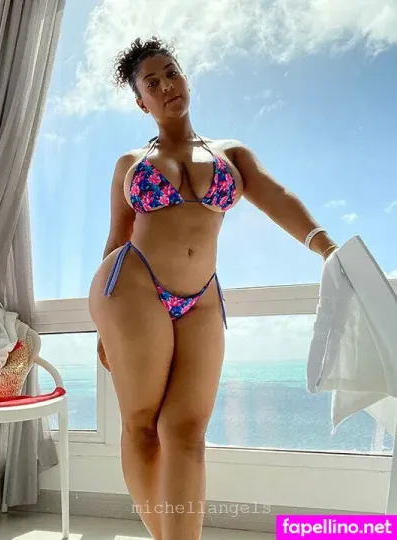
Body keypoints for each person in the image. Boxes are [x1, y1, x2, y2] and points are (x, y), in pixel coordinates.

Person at [88, 36, 337, 540]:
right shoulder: (130, 163)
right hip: (132, 286)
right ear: (142, 103)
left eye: (171, 73)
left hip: (201, 296)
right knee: (142, 424)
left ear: (185, 77)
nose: (166, 86)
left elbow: (276, 196)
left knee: (186, 431)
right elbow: (116, 239)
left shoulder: (231, 153)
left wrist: (328, 248)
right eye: (152, 83)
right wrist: (103, 327)